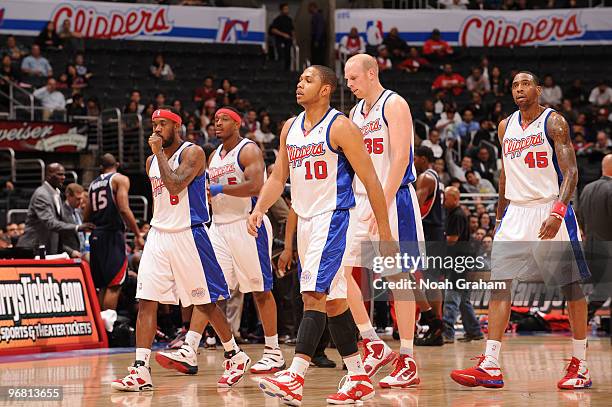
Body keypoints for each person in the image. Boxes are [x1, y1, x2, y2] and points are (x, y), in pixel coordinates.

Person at [251, 65, 394, 404]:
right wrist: (258, 208)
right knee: (333, 302)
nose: (300, 84)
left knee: (313, 295)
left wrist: (385, 230)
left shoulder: (341, 126)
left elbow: (371, 180)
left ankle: (295, 376)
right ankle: (358, 375)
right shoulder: (290, 128)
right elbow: (276, 178)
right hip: (307, 219)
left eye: (308, 80)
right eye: (299, 79)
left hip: (335, 219)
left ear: (326, 89)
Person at [450, 71, 592, 390]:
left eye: (525, 84)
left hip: (549, 206)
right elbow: (505, 176)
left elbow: (571, 171)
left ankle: (580, 364)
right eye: (514, 85)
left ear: (538, 89)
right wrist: (501, 217)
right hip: (515, 211)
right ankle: (490, 363)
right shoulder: (505, 126)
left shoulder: (554, 122)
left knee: (570, 286)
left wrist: (559, 210)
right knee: (500, 283)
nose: (519, 89)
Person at [111, 108, 251, 391]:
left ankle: (235, 354)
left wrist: (159, 154)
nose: (158, 129)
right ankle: (141, 369)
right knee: (147, 300)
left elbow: (175, 186)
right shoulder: (152, 159)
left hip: (190, 233)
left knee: (204, 302)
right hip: (159, 234)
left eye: (163, 124)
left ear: (178, 126)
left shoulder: (194, 153)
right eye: (154, 124)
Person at [342, 54, 424, 388]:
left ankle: (408, 358)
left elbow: (401, 158)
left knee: (398, 278)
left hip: (394, 199)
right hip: (359, 200)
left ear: (371, 74)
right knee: (338, 273)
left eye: (353, 78)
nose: (349, 85)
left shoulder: (395, 104)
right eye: (347, 80)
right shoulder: (353, 114)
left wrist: (382, 204)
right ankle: (372, 341)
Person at [207, 106, 285, 374]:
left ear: (237, 123)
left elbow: (255, 187)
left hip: (248, 224)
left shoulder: (248, 150)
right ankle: (199, 347)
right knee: (211, 290)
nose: (217, 123)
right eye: (215, 120)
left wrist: (218, 189)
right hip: (219, 226)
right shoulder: (213, 156)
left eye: (224, 119)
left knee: (260, 290)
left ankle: (273, 351)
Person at [84, 153, 144, 312]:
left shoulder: (93, 184)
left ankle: (102, 329)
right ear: (117, 164)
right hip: (111, 235)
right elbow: (124, 209)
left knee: (103, 286)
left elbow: (86, 216)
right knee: (114, 285)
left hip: (96, 236)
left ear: (100, 167)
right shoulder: (119, 179)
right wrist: (138, 234)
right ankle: (110, 332)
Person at [17, 163, 94, 255]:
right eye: (59, 174)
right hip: (33, 248)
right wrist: (77, 227)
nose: (63, 177)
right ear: (49, 175)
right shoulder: (42, 194)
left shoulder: (56, 194)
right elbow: (50, 223)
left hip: (48, 248)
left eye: (64, 174)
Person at [441, 186, 484, 343]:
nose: (444, 200)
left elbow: (453, 239)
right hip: (463, 260)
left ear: (455, 198)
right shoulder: (453, 213)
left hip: (459, 261)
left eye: (446, 198)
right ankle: (475, 331)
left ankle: (448, 333)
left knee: (451, 297)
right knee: (464, 299)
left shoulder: (457, 215)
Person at [414, 146, 446, 346]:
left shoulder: (425, 177)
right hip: (435, 232)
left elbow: (416, 207)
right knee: (429, 279)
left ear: (423, 159)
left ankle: (435, 325)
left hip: (429, 233)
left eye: (415, 158)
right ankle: (435, 324)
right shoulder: (436, 176)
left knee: (430, 280)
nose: (413, 161)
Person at [577, 154, 612, 322]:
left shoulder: (587, 188)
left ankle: (584, 316)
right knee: (603, 290)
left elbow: (580, 218)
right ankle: (585, 314)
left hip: (589, 246)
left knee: (600, 289)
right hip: (607, 246)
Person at [59, 183, 86, 259]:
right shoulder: (61, 213)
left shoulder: (79, 212)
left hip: (81, 256)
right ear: (68, 196)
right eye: (78, 199)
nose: (81, 201)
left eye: (81, 198)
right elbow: (56, 240)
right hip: (68, 257)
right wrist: (71, 252)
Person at [269, 3, 295, 70]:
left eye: (287, 9)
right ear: (281, 10)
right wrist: (283, 35)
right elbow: (273, 30)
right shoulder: (277, 19)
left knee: (288, 57)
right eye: (285, 9)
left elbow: (292, 30)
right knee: (281, 57)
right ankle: (281, 72)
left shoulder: (289, 19)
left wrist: (294, 38)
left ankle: (288, 71)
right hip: (280, 41)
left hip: (288, 42)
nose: (287, 10)